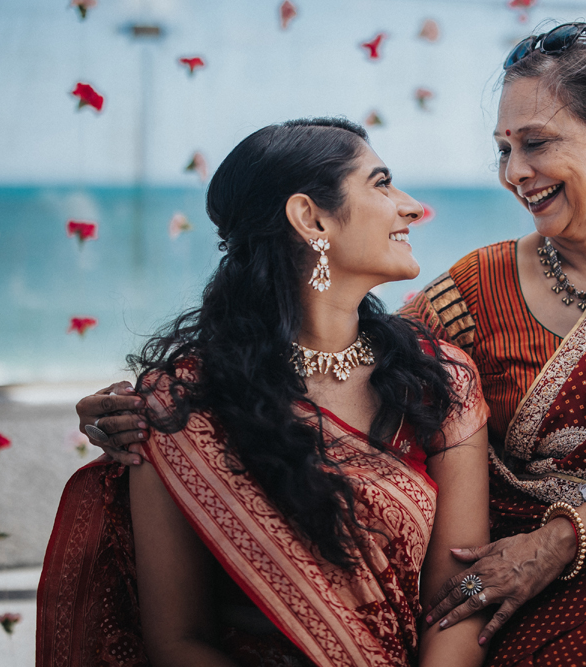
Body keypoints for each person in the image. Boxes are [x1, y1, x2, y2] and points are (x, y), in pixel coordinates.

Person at [75, 24, 586, 667]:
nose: (514, 171)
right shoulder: (473, 290)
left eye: (536, 143)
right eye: (502, 149)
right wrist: (163, 402)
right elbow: (326, 344)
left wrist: (563, 539)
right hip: (526, 601)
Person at [38, 118, 492, 667]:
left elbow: (458, 603)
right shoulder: (184, 407)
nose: (412, 206)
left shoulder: (438, 380)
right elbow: (178, 640)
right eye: (381, 184)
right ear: (310, 217)